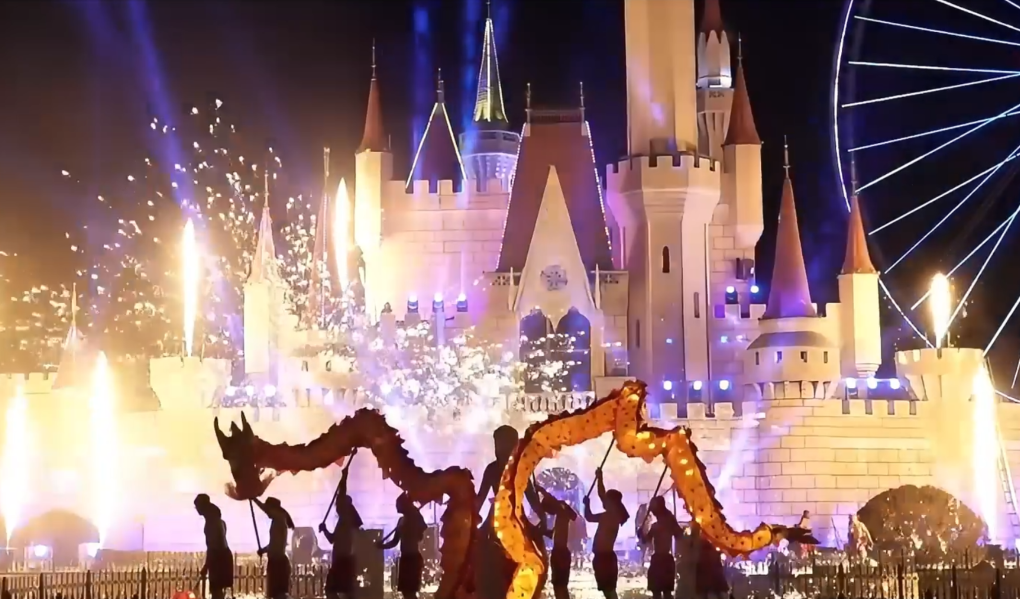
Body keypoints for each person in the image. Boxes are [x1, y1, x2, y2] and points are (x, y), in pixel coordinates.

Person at [475, 425, 541, 599]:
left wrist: (543, 516)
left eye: (502, 442)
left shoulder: (520, 468)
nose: (499, 447)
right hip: (495, 518)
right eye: (497, 443)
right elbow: (480, 498)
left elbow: (532, 497)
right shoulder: (492, 469)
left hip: (516, 517)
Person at [320, 453, 363, 599]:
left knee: (337, 591)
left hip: (343, 560)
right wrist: (324, 529)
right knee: (338, 591)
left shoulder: (347, 518)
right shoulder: (343, 521)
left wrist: (344, 477)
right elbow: (332, 539)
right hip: (339, 559)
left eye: (339, 503)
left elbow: (342, 492)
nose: (337, 506)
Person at [583, 468, 629, 599]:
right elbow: (601, 494)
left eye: (607, 500)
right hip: (603, 557)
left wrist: (587, 505)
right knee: (607, 590)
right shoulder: (612, 514)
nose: (604, 501)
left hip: (605, 558)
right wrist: (600, 478)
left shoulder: (611, 516)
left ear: (612, 502)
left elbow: (589, 517)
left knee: (609, 591)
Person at [379, 493, 428, 599]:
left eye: (399, 504)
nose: (397, 507)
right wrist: (382, 546)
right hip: (405, 558)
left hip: (413, 558)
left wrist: (414, 512)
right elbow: (394, 541)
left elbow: (423, 528)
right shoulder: (401, 521)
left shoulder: (414, 518)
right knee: (406, 592)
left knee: (410, 592)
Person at [637, 497, 683, 599]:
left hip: (661, 560)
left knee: (660, 592)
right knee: (662, 592)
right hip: (662, 560)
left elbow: (645, 540)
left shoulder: (662, 525)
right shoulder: (661, 525)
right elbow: (645, 540)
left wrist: (641, 535)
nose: (653, 512)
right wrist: (640, 534)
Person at [539, 488, 578, 599]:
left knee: (560, 586)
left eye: (547, 510)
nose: (548, 513)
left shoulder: (562, 513)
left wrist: (542, 491)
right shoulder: (561, 516)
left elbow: (555, 503)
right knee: (559, 586)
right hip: (560, 552)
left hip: (560, 553)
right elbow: (552, 534)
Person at [254, 496, 295, 599]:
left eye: (268, 509)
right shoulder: (278, 520)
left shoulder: (279, 522)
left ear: (273, 509)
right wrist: (254, 499)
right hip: (277, 561)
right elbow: (274, 543)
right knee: (277, 595)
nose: (267, 513)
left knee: (278, 595)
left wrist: (254, 499)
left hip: (278, 563)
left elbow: (275, 545)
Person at [195, 494, 233, 599]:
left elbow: (213, 547)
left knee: (216, 590)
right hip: (223, 556)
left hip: (218, 558)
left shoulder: (211, 523)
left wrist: (206, 565)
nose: (197, 509)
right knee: (219, 590)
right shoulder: (219, 521)